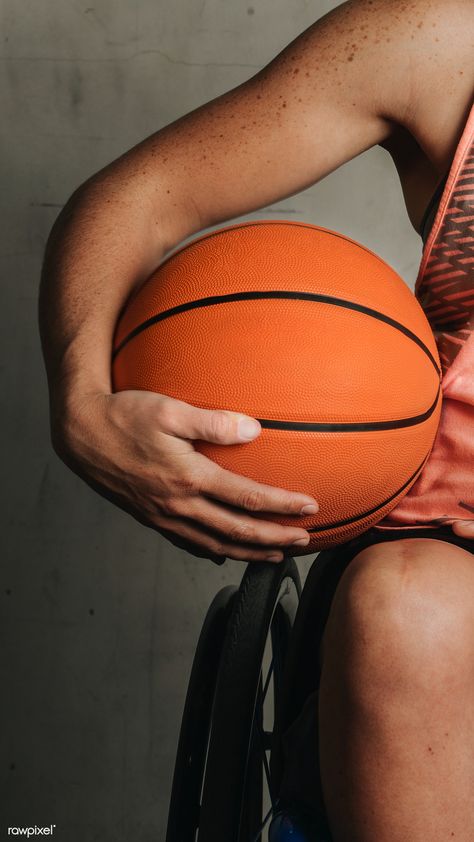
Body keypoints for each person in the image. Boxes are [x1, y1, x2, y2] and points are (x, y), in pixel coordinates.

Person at [38, 0, 474, 838]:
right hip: (448, 549)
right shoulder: (436, 39)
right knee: (411, 610)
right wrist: (83, 405)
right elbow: (142, 195)